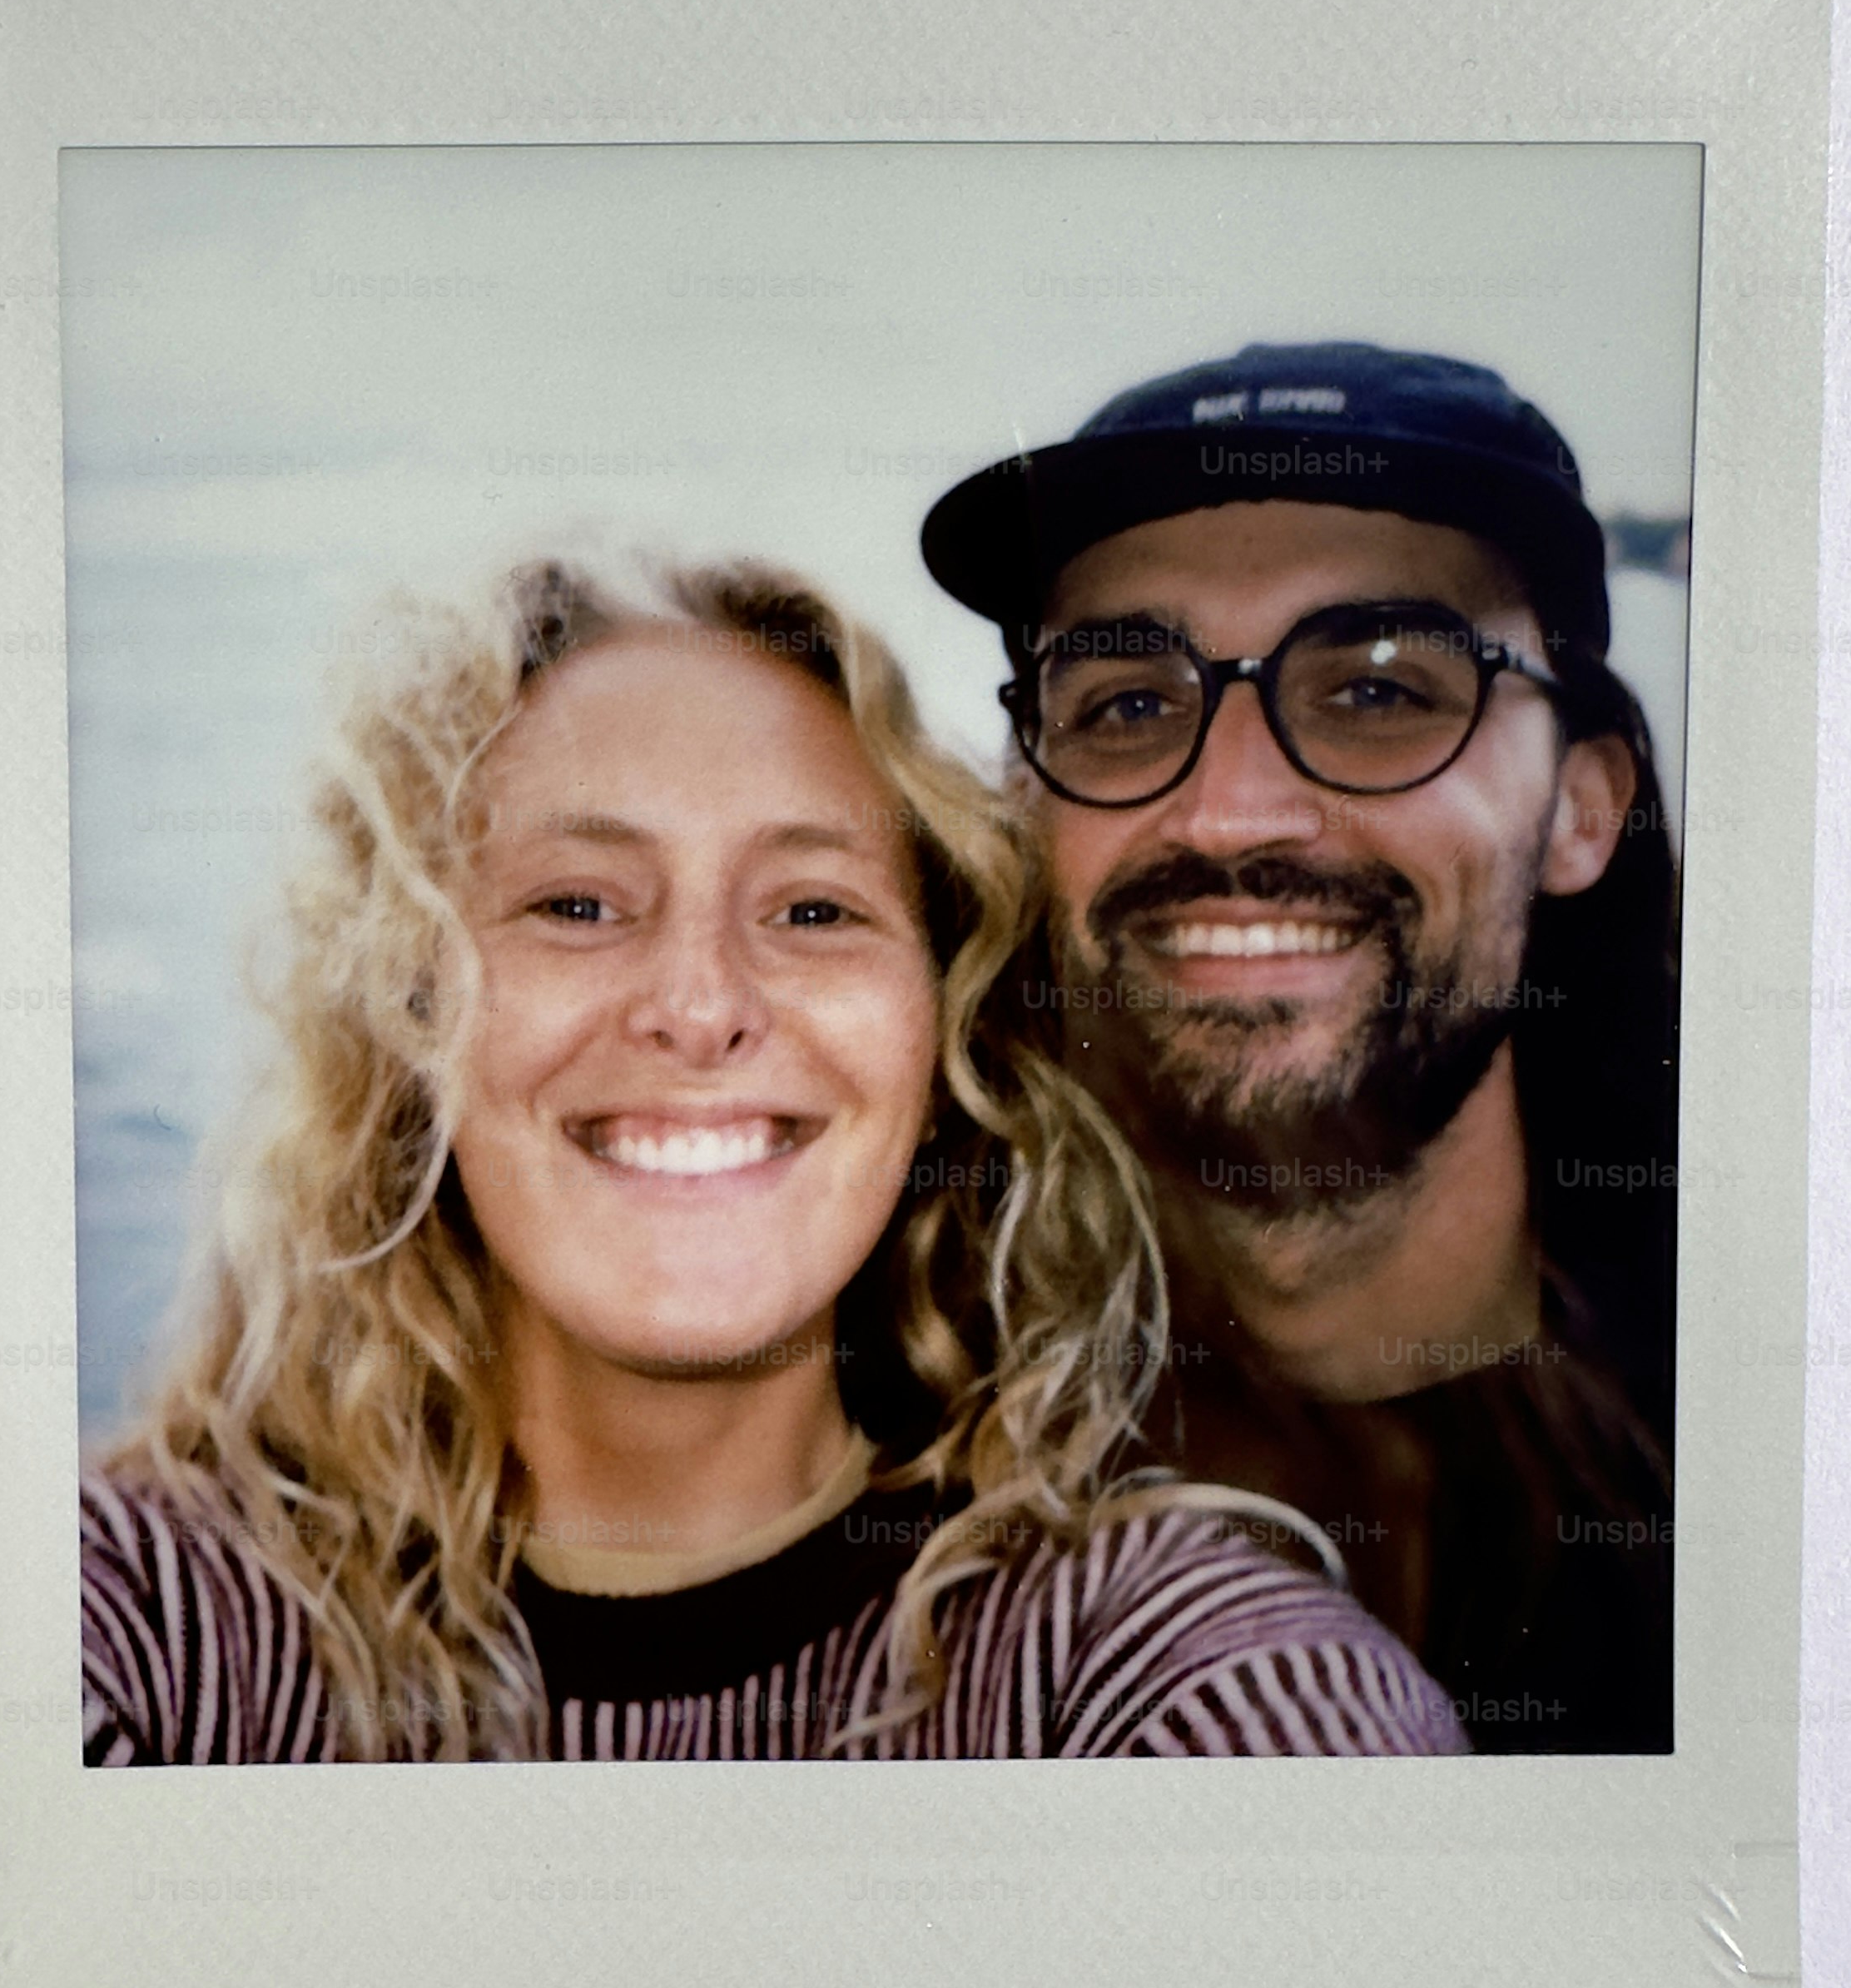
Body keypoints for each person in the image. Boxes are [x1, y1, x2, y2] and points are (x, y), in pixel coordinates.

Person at [80, 552, 1467, 1763]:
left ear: (943, 1045)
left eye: (812, 908)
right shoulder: (128, 1613)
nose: (698, 1004)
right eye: (577, 903)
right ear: (411, 1008)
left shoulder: (1170, 1672)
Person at [922, 342, 1676, 1752]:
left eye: (1380, 690)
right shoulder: (870, 1453)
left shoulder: (1765, 1479)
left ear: (1583, 810)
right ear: (1027, 807)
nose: (1235, 813)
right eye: (1130, 705)